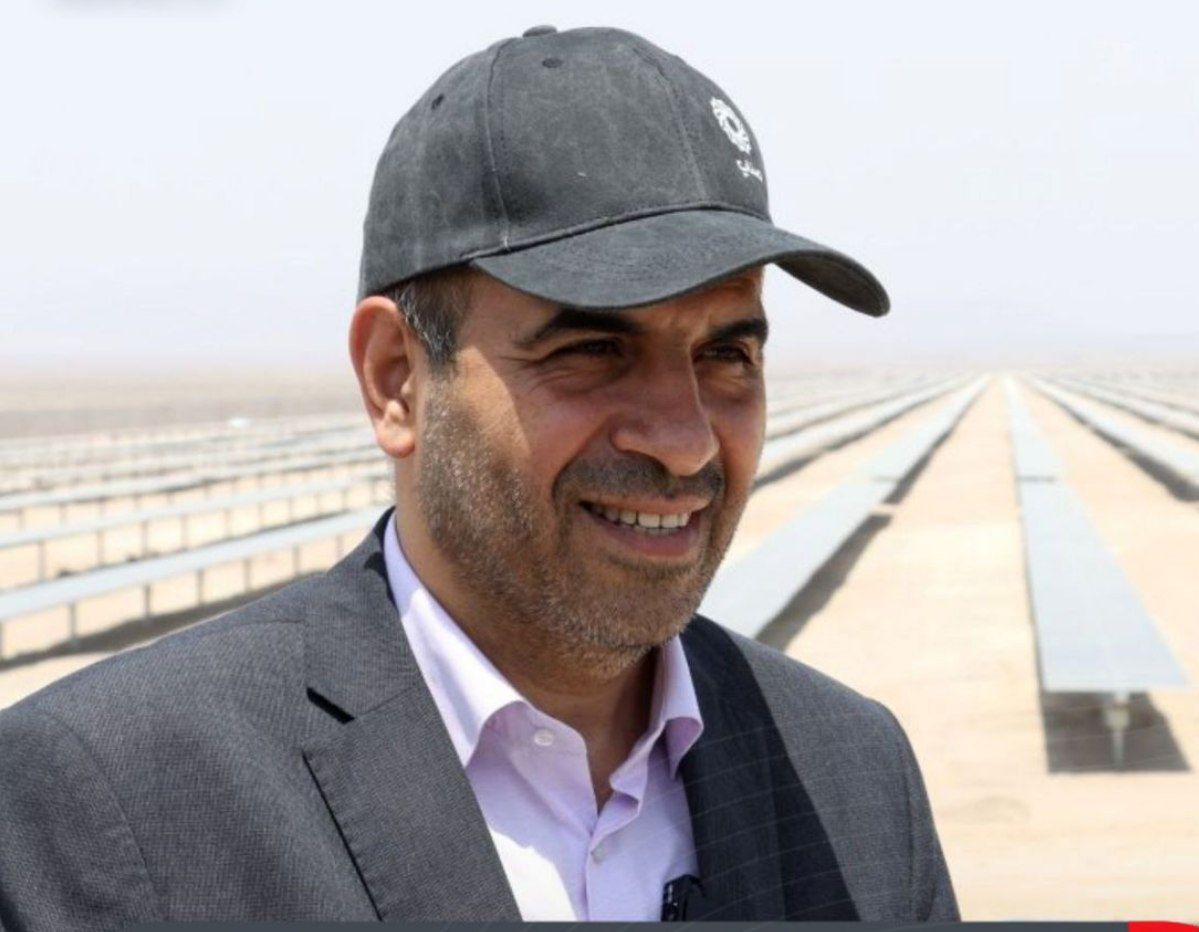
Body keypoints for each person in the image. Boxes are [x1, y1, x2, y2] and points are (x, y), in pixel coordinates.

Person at [0, 25, 958, 928]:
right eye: (590, 349)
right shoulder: (119, 801)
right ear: (396, 379)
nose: (685, 442)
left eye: (727, 355)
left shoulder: (854, 775)